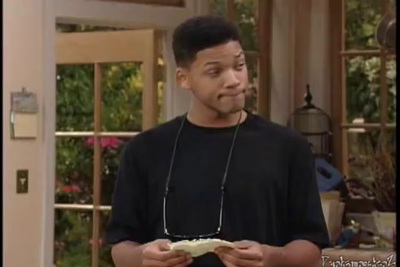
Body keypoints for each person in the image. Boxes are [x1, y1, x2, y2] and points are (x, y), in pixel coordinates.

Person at [106, 15, 330, 267]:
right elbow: (120, 248)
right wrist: (142, 258)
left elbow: (312, 250)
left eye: (239, 65)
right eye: (215, 71)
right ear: (183, 78)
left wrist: (271, 257)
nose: (234, 81)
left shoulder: (288, 146)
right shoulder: (145, 150)